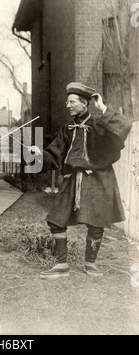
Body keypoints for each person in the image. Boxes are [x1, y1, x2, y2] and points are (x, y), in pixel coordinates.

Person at [30, 82, 132, 279]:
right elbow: (54, 155)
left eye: (72, 102)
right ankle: (61, 265)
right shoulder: (67, 130)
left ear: (84, 104)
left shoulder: (100, 126)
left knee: (96, 223)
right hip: (71, 180)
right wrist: (39, 154)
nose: (68, 105)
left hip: (98, 180)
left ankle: (90, 263)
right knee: (56, 219)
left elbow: (124, 126)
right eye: (67, 101)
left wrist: (102, 108)